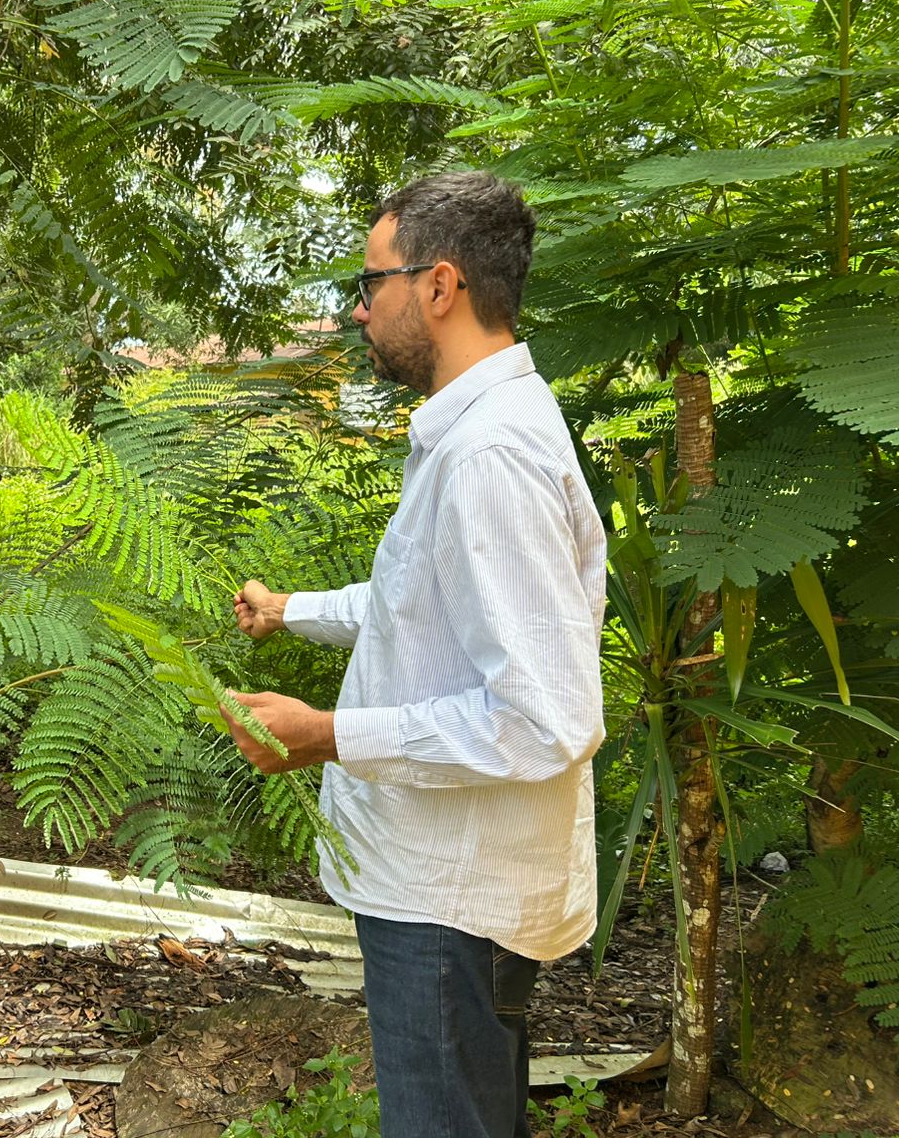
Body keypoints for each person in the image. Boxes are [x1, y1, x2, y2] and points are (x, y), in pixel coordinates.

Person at [226, 172, 607, 1138]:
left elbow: (543, 717)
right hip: (447, 891)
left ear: (438, 287)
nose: (360, 309)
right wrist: (290, 609)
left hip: (450, 903)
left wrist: (327, 735)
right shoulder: (477, 431)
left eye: (371, 283)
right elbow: (419, 605)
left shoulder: (490, 458)